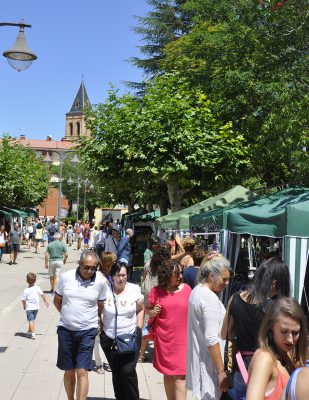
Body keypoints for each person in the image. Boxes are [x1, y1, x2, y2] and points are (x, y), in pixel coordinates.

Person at [221, 257, 291, 399]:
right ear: (275, 283)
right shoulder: (274, 308)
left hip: (240, 368)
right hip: (266, 368)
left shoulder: (234, 299)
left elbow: (224, 334)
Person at [53, 250, 107, 400]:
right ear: (79, 264)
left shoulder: (100, 282)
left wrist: (94, 319)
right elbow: (57, 301)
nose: (90, 271)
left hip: (87, 332)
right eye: (86, 267)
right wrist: (68, 315)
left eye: (93, 268)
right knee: (69, 371)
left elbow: (100, 305)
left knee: (82, 371)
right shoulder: (66, 277)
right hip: (66, 331)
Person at [186, 251, 231, 400]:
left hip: (203, 362)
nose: (227, 283)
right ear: (211, 276)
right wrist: (221, 372)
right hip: (210, 366)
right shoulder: (208, 297)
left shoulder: (197, 291)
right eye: (224, 279)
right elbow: (211, 338)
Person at [246, 297, 308, 400]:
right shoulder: (264, 359)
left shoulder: (287, 355)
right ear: (271, 327)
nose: (290, 339)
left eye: (295, 332)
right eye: (284, 331)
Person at [147, 260, 192, 400]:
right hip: (165, 340)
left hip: (183, 341)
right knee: (167, 374)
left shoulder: (187, 289)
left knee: (181, 376)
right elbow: (148, 310)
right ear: (167, 275)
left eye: (181, 273)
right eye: (176, 273)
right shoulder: (156, 291)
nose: (180, 276)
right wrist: (153, 311)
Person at [99, 262, 144, 400]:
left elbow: (141, 309)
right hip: (109, 339)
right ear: (112, 276)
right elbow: (98, 309)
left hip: (129, 338)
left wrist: (139, 328)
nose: (121, 278)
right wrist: (99, 325)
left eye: (124, 275)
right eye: (118, 275)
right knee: (117, 373)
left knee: (128, 371)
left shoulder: (134, 289)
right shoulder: (104, 290)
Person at [92, 251, 116, 374]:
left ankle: (110, 361)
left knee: (109, 337)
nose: (115, 264)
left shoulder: (111, 275)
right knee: (97, 338)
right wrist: (97, 316)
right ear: (107, 263)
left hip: (110, 310)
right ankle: (98, 363)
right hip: (99, 310)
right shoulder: (98, 276)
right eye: (113, 262)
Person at [21, 272, 49, 340]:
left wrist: (24, 306)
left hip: (29, 308)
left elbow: (23, 300)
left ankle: (32, 333)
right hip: (36, 308)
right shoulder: (37, 287)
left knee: (31, 320)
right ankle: (29, 332)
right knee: (32, 320)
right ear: (35, 280)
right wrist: (46, 301)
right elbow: (42, 294)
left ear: (27, 280)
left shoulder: (26, 290)